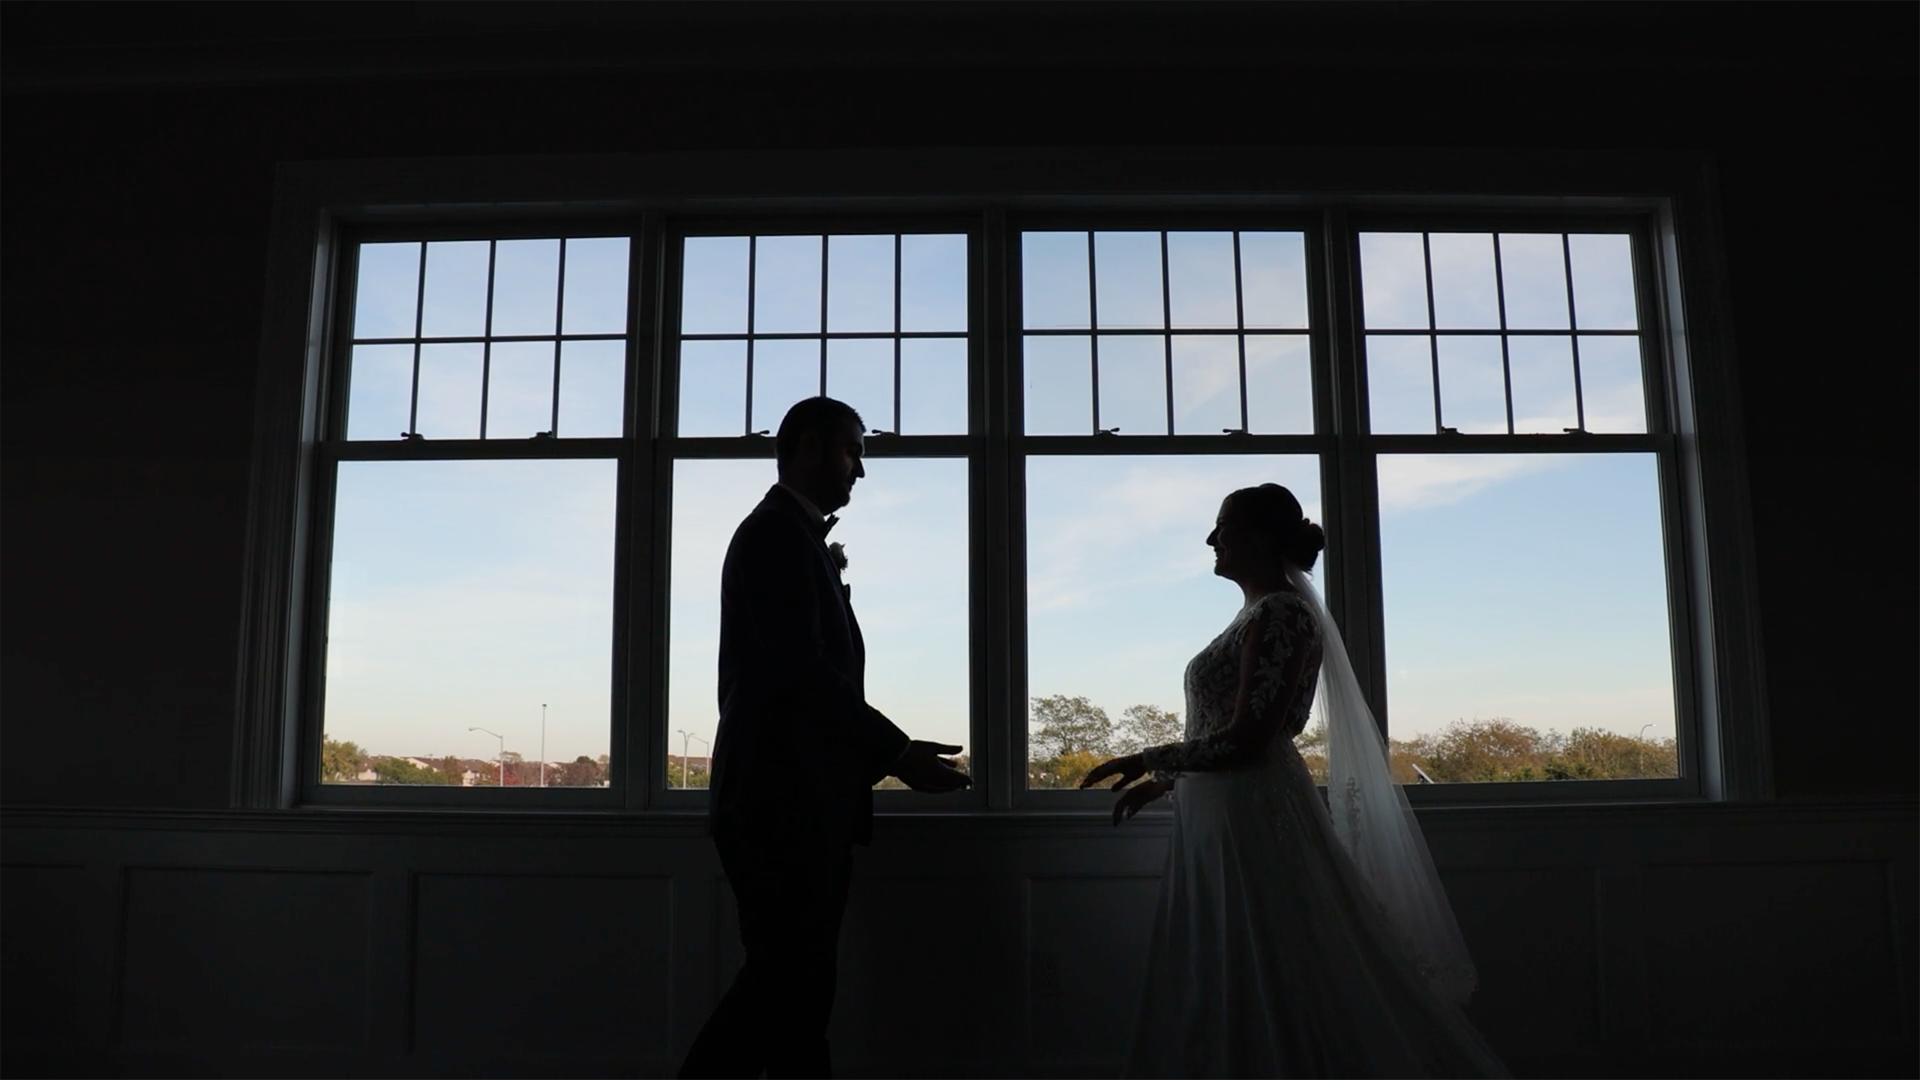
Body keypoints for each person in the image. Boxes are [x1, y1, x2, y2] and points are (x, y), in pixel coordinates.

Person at [1082, 484, 1510, 1078]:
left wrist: (1145, 758)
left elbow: (1254, 737)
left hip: (1253, 813)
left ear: (1257, 536)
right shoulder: (1257, 613)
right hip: (1220, 810)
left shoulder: (1282, 612)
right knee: (1228, 958)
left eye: (1222, 525)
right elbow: (1230, 730)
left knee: (1272, 957)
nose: (1212, 539)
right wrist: (1168, 783)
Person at [679, 396, 970, 1079]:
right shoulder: (778, 535)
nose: (861, 470)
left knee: (791, 996)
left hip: (790, 804)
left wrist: (887, 753)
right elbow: (800, 673)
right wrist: (895, 753)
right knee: (789, 992)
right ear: (810, 447)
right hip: (782, 808)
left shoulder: (791, 534)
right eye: (854, 450)